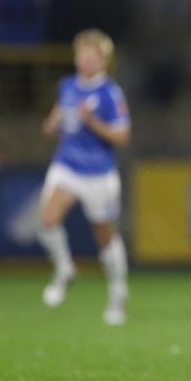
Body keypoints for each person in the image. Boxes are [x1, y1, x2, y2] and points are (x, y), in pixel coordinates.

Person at [38, 29, 131, 325]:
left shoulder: (109, 93)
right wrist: (52, 123)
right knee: (47, 220)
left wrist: (92, 121)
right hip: (67, 165)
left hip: (98, 172)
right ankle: (64, 268)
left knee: (104, 237)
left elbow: (122, 135)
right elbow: (58, 115)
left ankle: (117, 292)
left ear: (103, 61)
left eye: (92, 56)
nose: (86, 60)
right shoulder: (67, 85)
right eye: (82, 54)